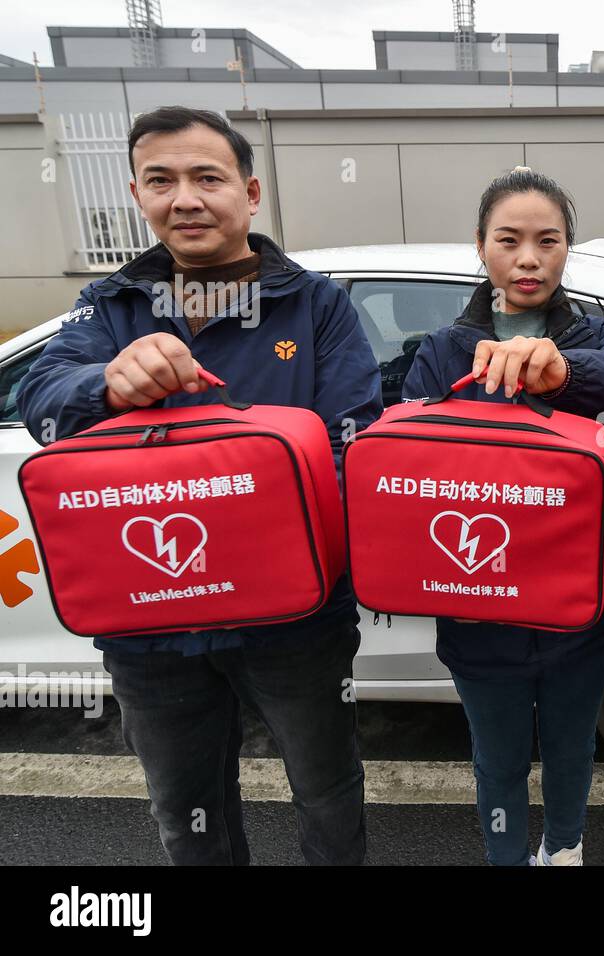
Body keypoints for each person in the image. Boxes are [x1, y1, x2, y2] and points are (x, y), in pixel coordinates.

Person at [17, 106, 382, 865]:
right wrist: (106, 382)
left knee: (327, 793)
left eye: (206, 177)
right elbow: (41, 399)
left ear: (249, 193)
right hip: (149, 622)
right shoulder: (109, 305)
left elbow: (354, 442)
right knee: (186, 812)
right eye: (162, 180)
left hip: (295, 617)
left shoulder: (315, 306)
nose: (185, 197)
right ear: (137, 194)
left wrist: (266, 519)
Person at [401, 166, 604, 866]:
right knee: (498, 757)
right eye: (508, 239)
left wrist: (564, 374)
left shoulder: (602, 338)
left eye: (548, 241)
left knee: (573, 749)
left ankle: (566, 849)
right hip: (479, 603)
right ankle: (508, 856)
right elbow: (409, 465)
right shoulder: (444, 352)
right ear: (481, 247)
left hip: (583, 606)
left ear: (568, 249)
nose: (528, 258)